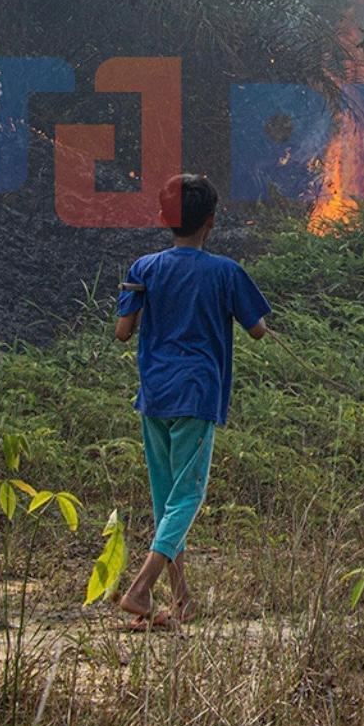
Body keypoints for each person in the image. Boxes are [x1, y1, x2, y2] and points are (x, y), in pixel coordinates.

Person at [112, 173, 270, 630]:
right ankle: (140, 590)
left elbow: (123, 332)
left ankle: (181, 601)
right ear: (212, 222)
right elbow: (257, 330)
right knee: (187, 496)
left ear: (165, 219)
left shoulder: (144, 267)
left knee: (166, 499)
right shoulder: (225, 271)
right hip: (197, 393)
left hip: (155, 392)